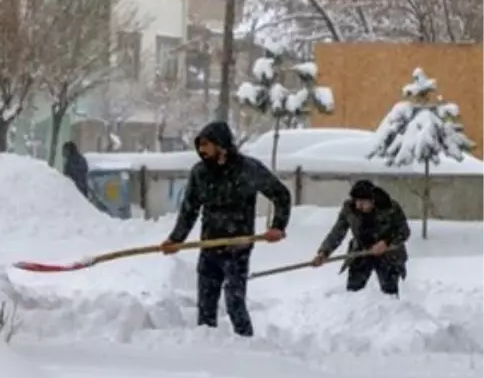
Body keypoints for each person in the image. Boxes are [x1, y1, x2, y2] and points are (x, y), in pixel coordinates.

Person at [160, 121, 292, 338]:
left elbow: (281, 195)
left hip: (238, 247)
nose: (201, 150)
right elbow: (189, 210)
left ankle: (247, 344)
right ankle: (206, 348)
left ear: (221, 145)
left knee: (234, 302)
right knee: (206, 306)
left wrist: (278, 226)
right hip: (209, 246)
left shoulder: (248, 169)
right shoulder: (200, 173)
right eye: (199, 145)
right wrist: (176, 239)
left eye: (206, 144)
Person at [312, 180, 409, 296]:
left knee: (389, 293)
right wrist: (324, 252)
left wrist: (386, 243)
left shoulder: (390, 207)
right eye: (356, 201)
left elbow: (404, 231)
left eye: (363, 202)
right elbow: (337, 232)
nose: (359, 206)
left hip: (388, 254)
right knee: (354, 290)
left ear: (373, 201)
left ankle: (391, 309)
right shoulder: (349, 209)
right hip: (361, 252)